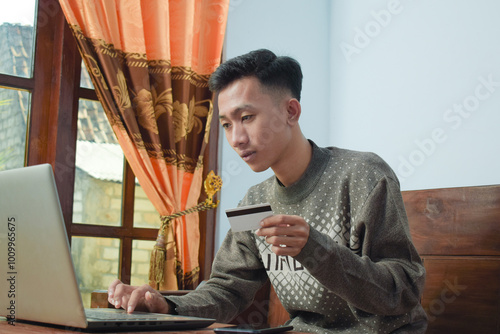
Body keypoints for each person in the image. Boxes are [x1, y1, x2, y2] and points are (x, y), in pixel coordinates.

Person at [108, 49, 428, 333]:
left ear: (291, 112)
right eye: (227, 124)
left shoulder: (364, 176)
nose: (236, 139)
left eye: (246, 117)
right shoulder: (253, 203)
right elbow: (227, 288)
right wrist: (167, 306)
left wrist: (317, 250)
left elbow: (403, 291)